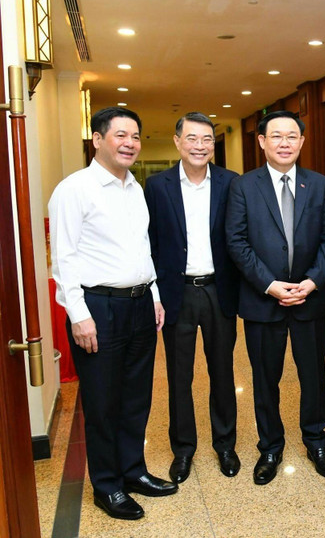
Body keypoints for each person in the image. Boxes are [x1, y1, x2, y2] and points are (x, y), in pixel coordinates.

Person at [49, 107, 177, 520]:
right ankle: (107, 486)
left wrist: (154, 293)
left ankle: (133, 471)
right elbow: (63, 259)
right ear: (98, 139)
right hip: (98, 308)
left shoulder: (133, 189)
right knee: (103, 402)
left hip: (140, 304)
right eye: (121, 134)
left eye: (136, 136)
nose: (130, 143)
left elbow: (142, 248)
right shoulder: (75, 189)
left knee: (136, 396)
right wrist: (78, 314)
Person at [226, 110, 325, 485]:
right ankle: (270, 446)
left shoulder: (319, 184)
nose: (285, 143)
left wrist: (312, 281)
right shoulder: (243, 186)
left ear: (302, 142)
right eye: (276, 136)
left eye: (292, 136)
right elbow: (236, 242)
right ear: (261, 142)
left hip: (309, 298)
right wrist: (270, 285)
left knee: (314, 374)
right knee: (264, 377)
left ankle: (316, 440)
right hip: (262, 301)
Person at [145, 112, 240, 484]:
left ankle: (226, 444)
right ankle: (183, 450)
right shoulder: (157, 186)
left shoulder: (232, 183)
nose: (200, 146)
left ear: (213, 146)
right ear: (177, 142)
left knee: (223, 370)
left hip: (220, 290)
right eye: (192, 139)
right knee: (178, 376)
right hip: (176, 294)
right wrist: (155, 293)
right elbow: (149, 243)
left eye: (207, 140)